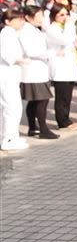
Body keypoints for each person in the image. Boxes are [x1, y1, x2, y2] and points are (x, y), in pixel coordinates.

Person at [19, 6, 59, 140]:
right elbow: (32, 51)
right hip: (33, 71)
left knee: (35, 101)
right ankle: (43, 129)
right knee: (42, 100)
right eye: (39, 16)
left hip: (38, 70)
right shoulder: (25, 31)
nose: (42, 19)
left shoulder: (35, 29)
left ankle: (32, 127)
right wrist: (51, 53)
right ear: (28, 17)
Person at [45, 3, 77, 130]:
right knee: (62, 97)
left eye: (66, 14)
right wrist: (70, 24)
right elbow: (65, 40)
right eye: (61, 15)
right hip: (60, 67)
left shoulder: (64, 27)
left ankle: (66, 118)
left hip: (69, 65)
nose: (65, 17)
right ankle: (62, 121)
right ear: (54, 15)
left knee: (68, 95)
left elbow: (71, 42)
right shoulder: (52, 29)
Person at [0, 9, 29, 151]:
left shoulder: (12, 33)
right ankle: (8, 139)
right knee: (11, 108)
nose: (20, 22)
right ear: (7, 21)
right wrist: (21, 60)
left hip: (12, 76)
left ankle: (12, 136)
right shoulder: (6, 34)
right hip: (7, 76)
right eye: (17, 19)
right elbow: (7, 55)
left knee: (14, 108)